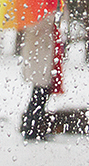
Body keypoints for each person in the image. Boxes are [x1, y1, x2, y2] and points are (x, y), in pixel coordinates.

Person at [20, 8, 66, 140]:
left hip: (44, 61)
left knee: (41, 95)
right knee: (39, 95)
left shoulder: (41, 12)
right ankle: (30, 129)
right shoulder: (32, 14)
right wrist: (51, 18)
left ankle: (33, 127)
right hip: (39, 62)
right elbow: (36, 30)